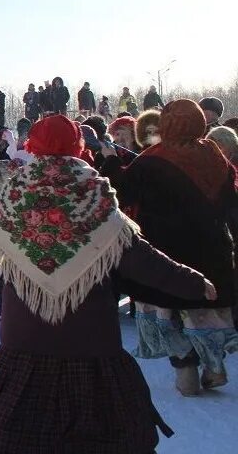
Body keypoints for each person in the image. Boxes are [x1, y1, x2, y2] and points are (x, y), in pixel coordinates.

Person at [0, 114, 216, 454]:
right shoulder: (93, 190)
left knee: (11, 445)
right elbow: (137, 255)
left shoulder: (16, 192)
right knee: (127, 444)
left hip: (24, 346)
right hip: (91, 345)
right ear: (78, 145)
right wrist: (193, 282)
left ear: (32, 145)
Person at [101, 99, 238, 395]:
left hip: (169, 248)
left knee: (173, 311)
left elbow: (121, 195)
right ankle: (215, 367)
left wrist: (111, 160)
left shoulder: (152, 158)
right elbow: (230, 199)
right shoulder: (214, 155)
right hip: (214, 248)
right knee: (205, 309)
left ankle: (186, 374)